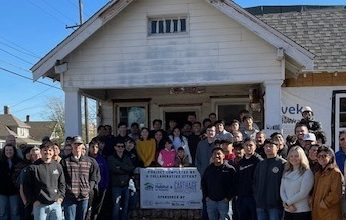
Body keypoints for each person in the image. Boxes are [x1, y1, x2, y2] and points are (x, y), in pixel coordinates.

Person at [23, 141, 65, 220]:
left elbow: (62, 184)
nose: (47, 152)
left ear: (53, 152)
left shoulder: (58, 166)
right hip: (40, 205)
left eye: (50, 150)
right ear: (41, 151)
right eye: (45, 150)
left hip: (56, 204)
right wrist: (33, 200)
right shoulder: (33, 167)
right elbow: (26, 186)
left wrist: (61, 197)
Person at [61, 136, 98, 220]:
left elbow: (94, 177)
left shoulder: (90, 161)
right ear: (71, 145)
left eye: (79, 144)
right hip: (69, 197)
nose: (77, 146)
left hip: (84, 197)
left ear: (82, 146)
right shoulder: (65, 161)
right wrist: (67, 189)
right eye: (75, 144)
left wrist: (89, 189)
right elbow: (61, 179)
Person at [254, 139, 286, 220]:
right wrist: (257, 197)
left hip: (275, 204)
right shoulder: (260, 164)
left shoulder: (282, 163)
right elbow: (255, 182)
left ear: (277, 148)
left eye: (271, 146)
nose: (268, 148)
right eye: (266, 146)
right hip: (260, 204)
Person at [280, 146, 314, 220]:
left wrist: (287, 203)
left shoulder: (307, 173)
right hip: (288, 211)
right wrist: (286, 204)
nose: (293, 158)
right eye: (291, 156)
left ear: (301, 157)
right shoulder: (286, 172)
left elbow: (303, 193)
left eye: (296, 156)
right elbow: (282, 191)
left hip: (302, 211)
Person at [201, 147, 236, 220]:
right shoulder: (209, 169)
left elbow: (234, 185)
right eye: (214, 154)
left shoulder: (230, 169)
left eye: (218, 154)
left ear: (223, 155)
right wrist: (206, 196)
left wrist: (228, 198)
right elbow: (203, 183)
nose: (216, 156)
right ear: (212, 156)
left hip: (224, 201)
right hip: (211, 201)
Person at [311, 145, 343, 220]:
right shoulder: (318, 173)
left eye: (324, 156)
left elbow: (335, 194)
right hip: (317, 211)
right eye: (319, 156)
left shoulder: (335, 173)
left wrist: (325, 203)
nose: (321, 158)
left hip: (329, 212)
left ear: (331, 156)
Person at [236, 138, 263, 220]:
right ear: (243, 147)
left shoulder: (259, 161)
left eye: (251, 145)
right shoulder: (240, 162)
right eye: (246, 145)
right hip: (241, 197)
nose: (248, 147)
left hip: (253, 197)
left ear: (255, 147)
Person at [107, 140, 135, 220]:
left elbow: (131, 168)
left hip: (126, 185)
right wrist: (125, 168)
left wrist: (120, 166)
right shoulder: (111, 158)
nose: (120, 148)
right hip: (116, 186)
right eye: (118, 146)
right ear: (115, 147)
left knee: (125, 205)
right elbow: (113, 169)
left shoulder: (127, 157)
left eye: (122, 147)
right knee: (116, 205)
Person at [195, 124, 216, 220]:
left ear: (215, 132)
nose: (210, 132)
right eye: (208, 131)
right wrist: (201, 171)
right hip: (204, 175)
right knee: (205, 198)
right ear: (206, 132)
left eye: (212, 131)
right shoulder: (201, 144)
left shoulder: (218, 144)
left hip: (216, 175)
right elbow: (197, 160)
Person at [88, 140, 109, 220]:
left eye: (96, 147)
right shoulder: (86, 159)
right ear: (89, 148)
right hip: (90, 189)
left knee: (98, 209)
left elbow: (106, 174)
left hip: (101, 187)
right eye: (92, 147)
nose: (94, 149)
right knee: (89, 208)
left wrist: (105, 186)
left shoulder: (102, 159)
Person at [0, 144, 22, 220]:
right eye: (7, 150)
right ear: (4, 151)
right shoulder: (0, 161)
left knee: (15, 212)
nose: (8, 152)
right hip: (2, 191)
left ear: (14, 151)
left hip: (14, 191)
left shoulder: (19, 161)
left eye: (10, 150)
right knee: (2, 212)